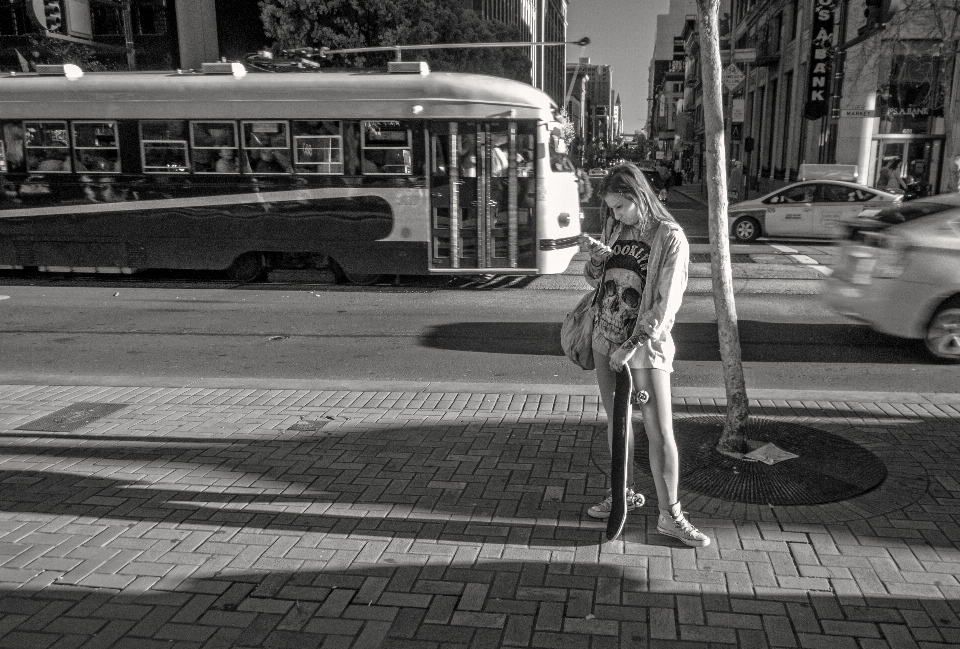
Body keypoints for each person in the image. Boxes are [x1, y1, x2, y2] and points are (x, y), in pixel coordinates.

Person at [581, 163, 709, 548]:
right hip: (605, 338)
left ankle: (671, 515)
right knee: (616, 425)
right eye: (611, 209)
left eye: (621, 207)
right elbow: (594, 281)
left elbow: (665, 306)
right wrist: (596, 260)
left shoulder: (670, 238)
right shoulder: (614, 228)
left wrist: (630, 346)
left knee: (659, 432)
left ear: (639, 196)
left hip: (642, 349)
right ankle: (624, 495)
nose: (615, 216)